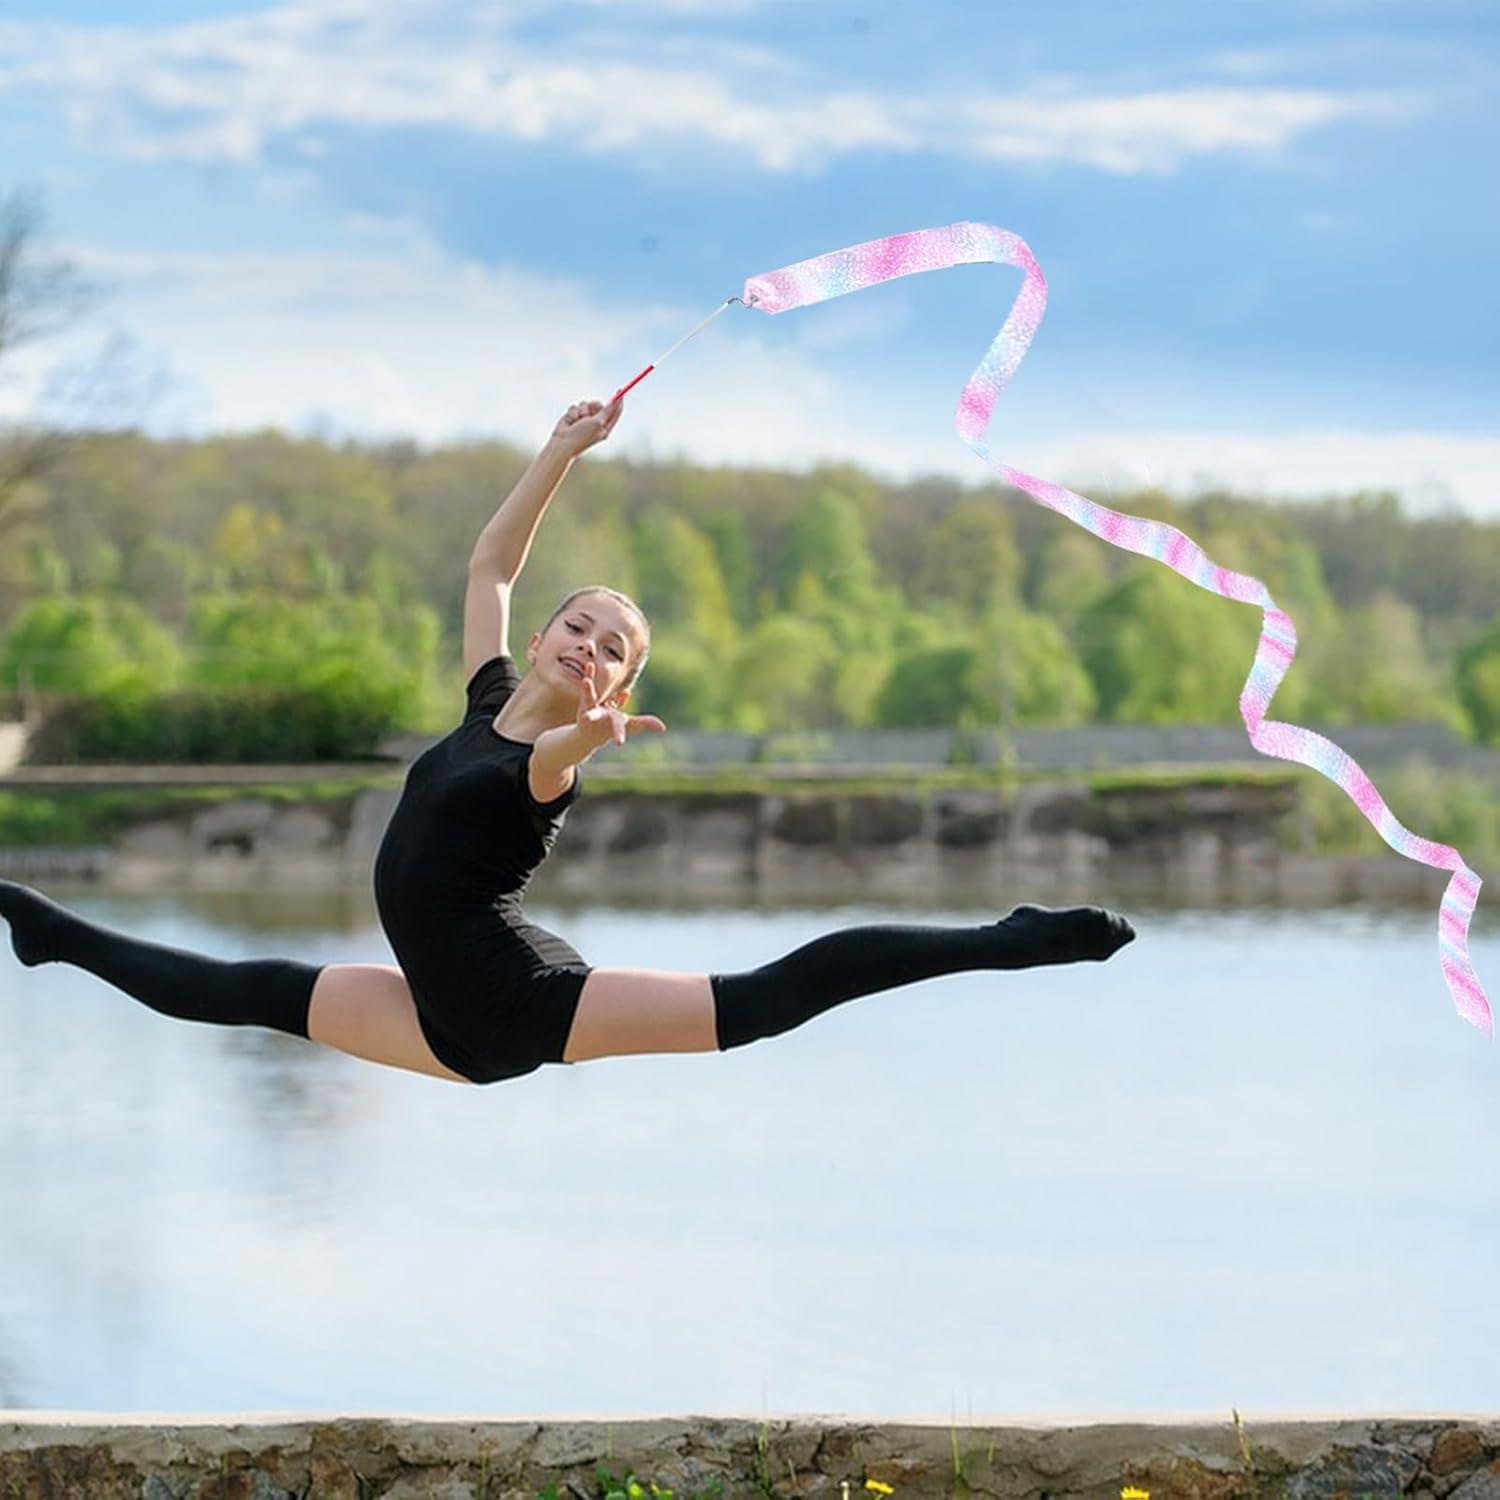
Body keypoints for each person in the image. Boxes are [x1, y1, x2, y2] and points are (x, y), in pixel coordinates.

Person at [0, 396, 1135, 1085]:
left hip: (515, 1001)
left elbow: (550, 772)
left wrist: (588, 739)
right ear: (545, 634)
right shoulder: (484, 692)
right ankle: (48, 934)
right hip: (442, 1019)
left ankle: (1014, 938)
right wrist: (561, 453)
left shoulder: (538, 766)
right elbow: (489, 566)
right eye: (579, 626)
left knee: (772, 992)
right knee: (239, 987)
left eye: (613, 649)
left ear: (622, 681)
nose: (589, 648)